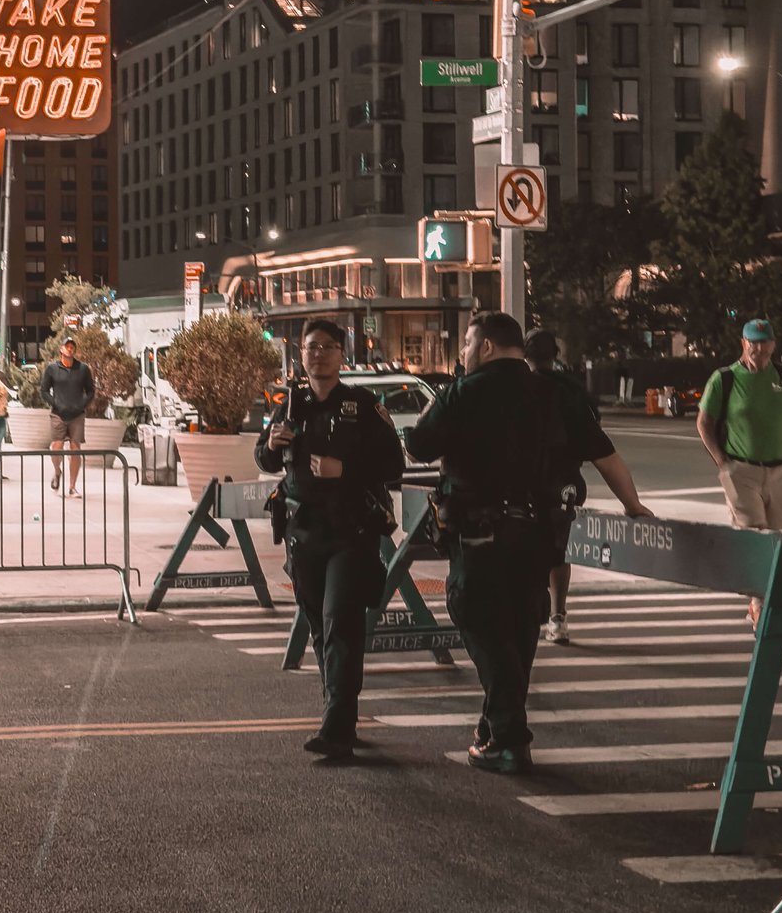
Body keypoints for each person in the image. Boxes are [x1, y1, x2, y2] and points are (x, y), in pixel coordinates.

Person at [403, 310, 571, 779]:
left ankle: (509, 740)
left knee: (478, 619)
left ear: (487, 347)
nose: (462, 354)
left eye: (466, 345)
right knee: (519, 630)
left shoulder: (465, 391)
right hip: (538, 534)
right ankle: (492, 731)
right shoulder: (552, 392)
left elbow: (417, 444)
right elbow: (584, 449)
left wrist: (444, 395)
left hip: (481, 533)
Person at [258, 316, 406, 765]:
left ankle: (336, 728)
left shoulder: (361, 404)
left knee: (340, 620)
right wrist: (270, 442)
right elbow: (267, 461)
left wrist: (347, 469)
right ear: (300, 355)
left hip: (350, 531)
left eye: (326, 346)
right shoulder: (290, 404)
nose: (317, 353)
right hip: (304, 533)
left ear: (343, 355)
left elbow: (394, 465)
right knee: (320, 627)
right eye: (310, 347)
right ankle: (339, 714)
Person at [525, 327, 647, 646]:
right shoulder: (570, 393)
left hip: (519, 488)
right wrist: (632, 504)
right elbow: (605, 456)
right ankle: (557, 616)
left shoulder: (512, 388)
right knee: (558, 551)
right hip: (562, 487)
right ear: (556, 356)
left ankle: (524, 615)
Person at [697, 317, 782, 625]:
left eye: (764, 342)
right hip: (741, 469)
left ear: (773, 344)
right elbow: (703, 423)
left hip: (781, 470)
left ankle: (764, 595)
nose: (759, 348)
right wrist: (722, 461)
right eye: (753, 342)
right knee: (753, 532)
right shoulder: (724, 379)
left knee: (777, 533)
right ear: (743, 344)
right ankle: (759, 600)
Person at [43, 332, 99, 498]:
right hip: (58, 414)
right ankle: (57, 471)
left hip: (77, 414)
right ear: (61, 349)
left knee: (75, 449)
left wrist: (81, 405)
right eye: (67, 346)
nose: (70, 349)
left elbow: (90, 391)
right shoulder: (52, 368)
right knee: (57, 446)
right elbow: (44, 390)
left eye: (72, 347)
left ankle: (72, 486)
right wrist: (56, 404)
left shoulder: (82, 369)